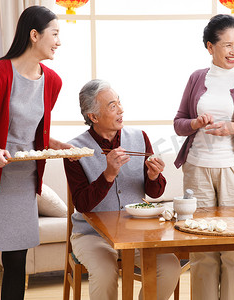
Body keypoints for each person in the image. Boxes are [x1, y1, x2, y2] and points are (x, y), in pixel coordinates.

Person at [0, 5, 72, 300]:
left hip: (22, 180)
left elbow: (32, 132)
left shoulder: (53, 81)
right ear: (35, 35)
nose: (59, 41)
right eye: (55, 34)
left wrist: (54, 143)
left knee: (16, 261)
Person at [173, 14, 234, 300]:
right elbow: (179, 122)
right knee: (201, 251)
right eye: (227, 45)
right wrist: (194, 123)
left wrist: (232, 127)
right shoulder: (196, 78)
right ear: (210, 46)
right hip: (197, 169)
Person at [63, 79, 181, 300]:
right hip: (91, 235)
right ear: (93, 117)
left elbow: (154, 193)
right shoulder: (74, 150)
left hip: (135, 231)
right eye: (112, 106)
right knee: (105, 272)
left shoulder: (139, 137)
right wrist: (108, 174)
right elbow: (82, 204)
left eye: (119, 103)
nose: (121, 110)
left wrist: (154, 176)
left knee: (169, 265)